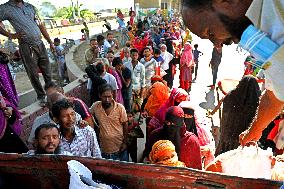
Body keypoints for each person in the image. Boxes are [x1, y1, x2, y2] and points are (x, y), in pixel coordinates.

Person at [181, 0, 284, 146]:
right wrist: (254, 130)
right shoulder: (255, 30)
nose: (217, 44)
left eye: (210, 33)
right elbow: (275, 92)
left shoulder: (275, 7)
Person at [0, 0, 54, 105]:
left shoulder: (30, 7)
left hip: (40, 44)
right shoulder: (5, 8)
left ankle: (52, 94)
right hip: (26, 46)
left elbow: (41, 24)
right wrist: (11, 35)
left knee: (47, 71)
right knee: (33, 73)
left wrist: (50, 42)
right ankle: (41, 96)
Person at [210, 76, 261, 156]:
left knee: (223, 159)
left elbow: (225, 115)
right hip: (244, 140)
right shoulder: (257, 102)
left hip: (227, 135)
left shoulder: (231, 96)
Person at [90, 84, 128, 161]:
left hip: (119, 148)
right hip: (104, 149)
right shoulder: (96, 106)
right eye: (104, 97)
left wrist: (125, 143)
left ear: (112, 95)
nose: (107, 100)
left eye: (109, 96)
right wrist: (95, 125)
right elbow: (88, 114)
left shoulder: (120, 108)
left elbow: (125, 125)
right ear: (99, 95)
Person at [124, 48, 146, 112]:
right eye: (133, 55)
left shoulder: (141, 66)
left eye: (136, 55)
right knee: (129, 106)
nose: (134, 57)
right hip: (128, 88)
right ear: (130, 55)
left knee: (138, 107)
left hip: (138, 89)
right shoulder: (126, 65)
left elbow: (143, 79)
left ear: (138, 56)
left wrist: (142, 93)